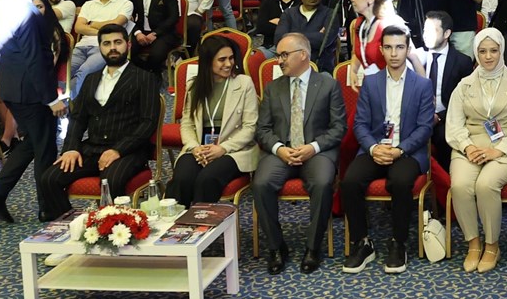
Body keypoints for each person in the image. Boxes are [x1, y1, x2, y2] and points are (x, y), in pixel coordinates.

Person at [338, 26, 437, 274]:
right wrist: (373, 148)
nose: (394, 53)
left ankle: (398, 243)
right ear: (381, 50)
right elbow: (360, 124)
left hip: (408, 151)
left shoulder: (422, 84)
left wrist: (399, 150)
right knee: (350, 181)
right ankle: (362, 243)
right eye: (389, 47)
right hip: (375, 149)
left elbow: (425, 128)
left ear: (407, 49)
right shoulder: (371, 83)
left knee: (400, 181)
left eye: (400, 47)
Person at [37, 24, 160, 216]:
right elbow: (78, 118)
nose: (113, 48)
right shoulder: (91, 79)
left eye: (118, 42)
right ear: (100, 47)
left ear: (128, 45)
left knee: (110, 181)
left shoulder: (145, 78)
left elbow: (148, 122)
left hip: (128, 151)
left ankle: (114, 229)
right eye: (106, 43)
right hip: (92, 148)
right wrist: (71, 148)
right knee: (49, 179)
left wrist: (118, 150)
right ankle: (70, 226)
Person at [251, 31, 347, 275]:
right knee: (261, 183)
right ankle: (276, 247)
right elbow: (262, 130)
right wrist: (279, 149)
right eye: (278, 55)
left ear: (303, 55)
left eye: (284, 55)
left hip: (316, 152)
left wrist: (312, 147)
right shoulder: (273, 88)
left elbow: (338, 128)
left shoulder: (327, 84)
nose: (279, 60)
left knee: (323, 182)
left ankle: (313, 247)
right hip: (281, 153)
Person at [0, 0, 64, 223]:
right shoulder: (24, 8)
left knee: (33, 143)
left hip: (13, 85)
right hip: (31, 90)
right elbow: (34, 57)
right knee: (45, 148)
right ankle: (48, 209)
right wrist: (50, 99)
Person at [445, 27, 507, 274]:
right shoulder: (464, 85)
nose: (488, 56)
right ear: (476, 53)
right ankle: (473, 243)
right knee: (460, 185)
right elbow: (454, 124)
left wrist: (499, 150)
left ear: (501, 51)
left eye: (493, 50)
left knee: (485, 184)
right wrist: (467, 146)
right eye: (482, 51)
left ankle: (492, 245)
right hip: (469, 147)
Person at [167, 35, 259, 205]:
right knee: (182, 178)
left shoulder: (244, 83)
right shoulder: (194, 85)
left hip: (233, 149)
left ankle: (202, 221)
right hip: (200, 147)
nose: (229, 64)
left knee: (207, 179)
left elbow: (250, 127)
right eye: (222, 60)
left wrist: (223, 148)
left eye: (231, 58)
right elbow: (187, 123)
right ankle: (178, 220)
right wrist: (194, 147)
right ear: (208, 62)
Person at [69, 0, 133, 90]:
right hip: (81, 46)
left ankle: (70, 101)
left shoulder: (126, 4)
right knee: (65, 72)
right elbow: (78, 28)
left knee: (84, 72)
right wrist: (105, 32)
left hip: (106, 47)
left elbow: (116, 24)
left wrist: (92, 24)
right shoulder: (88, 4)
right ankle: (61, 99)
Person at [126, 0, 180, 74]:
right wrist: (138, 33)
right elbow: (129, 16)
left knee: (156, 55)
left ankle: (151, 76)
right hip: (140, 31)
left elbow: (173, 17)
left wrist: (155, 33)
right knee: (126, 50)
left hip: (163, 32)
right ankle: (144, 72)